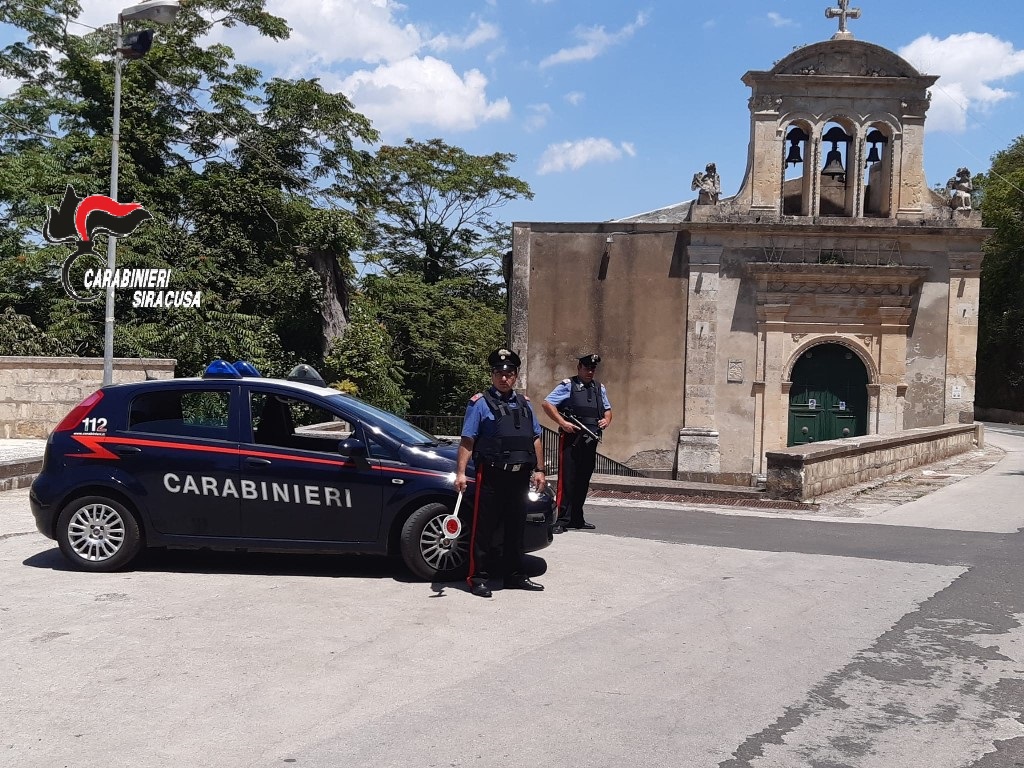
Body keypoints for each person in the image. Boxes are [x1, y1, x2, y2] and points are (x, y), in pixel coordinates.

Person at [454, 348, 547, 598]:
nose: (503, 378)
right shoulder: (479, 403)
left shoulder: (525, 404)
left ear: (515, 376)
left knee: (516, 527)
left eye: (508, 374)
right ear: (492, 375)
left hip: (519, 476)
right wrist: (460, 473)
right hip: (492, 475)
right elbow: (468, 440)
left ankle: (514, 575)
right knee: (484, 529)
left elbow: (535, 438)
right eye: (498, 373)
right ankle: (478, 578)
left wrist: (540, 470)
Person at [542, 353, 613, 534]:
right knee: (567, 480)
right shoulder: (568, 385)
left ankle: (577, 518)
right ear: (579, 368)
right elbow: (547, 404)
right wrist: (563, 423)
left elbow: (607, 410)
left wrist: (606, 420)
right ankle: (562, 519)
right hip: (572, 439)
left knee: (583, 480)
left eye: (593, 369)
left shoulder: (599, 388)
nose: (590, 372)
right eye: (587, 368)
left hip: (590, 439)